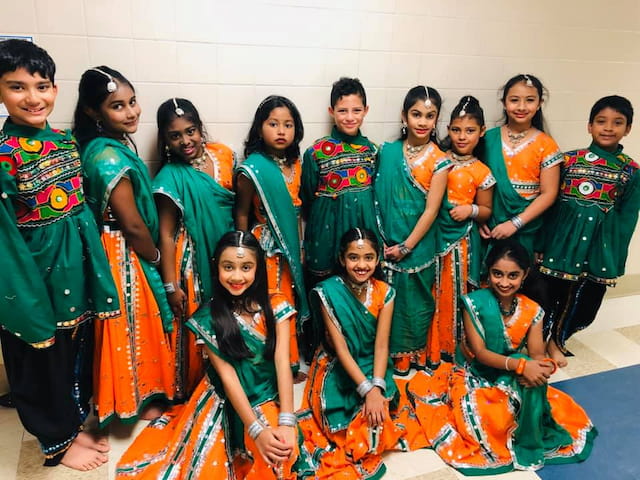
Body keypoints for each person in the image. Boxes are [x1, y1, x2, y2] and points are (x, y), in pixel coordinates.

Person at [0, 39, 118, 470]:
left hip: (74, 265)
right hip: (33, 276)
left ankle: (71, 424)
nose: (34, 98)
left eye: (43, 86)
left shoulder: (63, 141)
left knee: (73, 351)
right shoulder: (4, 154)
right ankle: (57, 441)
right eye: (17, 87)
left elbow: (78, 210)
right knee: (39, 356)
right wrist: (23, 296)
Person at [117, 231, 312, 479]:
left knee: (283, 453)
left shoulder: (276, 305)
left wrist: (286, 420)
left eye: (246, 267)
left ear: (258, 269)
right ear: (216, 268)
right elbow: (228, 377)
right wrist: (255, 430)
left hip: (265, 394)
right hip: (225, 400)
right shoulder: (209, 317)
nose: (237, 276)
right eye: (228, 267)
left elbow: (282, 363)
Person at [407, 239, 597, 475]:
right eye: (497, 274)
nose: (504, 282)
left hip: (511, 376)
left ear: (524, 275)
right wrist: (521, 366)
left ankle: (527, 436)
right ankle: (519, 430)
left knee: (530, 389)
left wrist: (541, 369)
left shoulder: (532, 309)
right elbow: (481, 353)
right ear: (489, 272)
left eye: (512, 275)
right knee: (489, 414)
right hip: (476, 375)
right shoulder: (474, 303)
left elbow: (537, 355)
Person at [73, 66, 175, 426]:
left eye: (133, 102)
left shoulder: (107, 146)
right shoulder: (109, 157)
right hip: (121, 250)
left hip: (115, 246)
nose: (131, 112)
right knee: (132, 323)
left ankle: (136, 395)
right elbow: (131, 222)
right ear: (93, 111)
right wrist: (157, 256)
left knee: (134, 323)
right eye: (118, 106)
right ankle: (135, 401)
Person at [298, 228, 427, 478]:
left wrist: (376, 387)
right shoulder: (328, 292)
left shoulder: (385, 292)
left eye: (368, 257)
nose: (361, 265)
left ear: (378, 259)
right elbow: (341, 349)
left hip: (372, 362)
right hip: (337, 364)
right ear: (342, 259)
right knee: (346, 431)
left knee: (377, 422)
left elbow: (381, 346)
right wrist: (366, 390)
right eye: (354, 258)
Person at [539, 95, 638, 366]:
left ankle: (559, 338)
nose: (608, 128)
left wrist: (614, 256)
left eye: (617, 123)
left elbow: (628, 217)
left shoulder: (630, 170)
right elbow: (551, 204)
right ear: (589, 126)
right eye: (601, 121)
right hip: (562, 245)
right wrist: (542, 243)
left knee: (587, 303)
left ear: (627, 129)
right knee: (552, 295)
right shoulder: (569, 161)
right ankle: (546, 340)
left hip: (600, 246)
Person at [154, 98, 235, 400]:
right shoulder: (169, 178)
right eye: (175, 135)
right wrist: (171, 286)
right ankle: (200, 385)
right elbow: (164, 234)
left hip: (229, 253)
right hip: (192, 262)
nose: (185, 141)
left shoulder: (225, 156)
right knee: (200, 319)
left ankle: (231, 376)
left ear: (201, 129)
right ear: (165, 139)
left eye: (190, 131)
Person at [374, 85, 451, 375]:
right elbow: (377, 197)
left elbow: (431, 210)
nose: (422, 121)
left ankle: (412, 358)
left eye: (429, 116)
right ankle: (385, 356)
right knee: (386, 301)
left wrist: (406, 245)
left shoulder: (440, 160)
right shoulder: (388, 151)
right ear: (403, 116)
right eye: (416, 114)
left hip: (418, 247)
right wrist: (380, 240)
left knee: (415, 306)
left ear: (436, 120)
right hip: (384, 242)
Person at [235, 95, 308, 377]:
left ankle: (289, 363)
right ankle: (266, 368)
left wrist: (299, 246)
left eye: (288, 125)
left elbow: (298, 212)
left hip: (290, 246)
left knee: (287, 304)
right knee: (265, 304)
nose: (281, 131)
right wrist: (242, 252)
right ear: (259, 128)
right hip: (263, 248)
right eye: (273, 124)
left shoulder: (297, 164)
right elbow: (241, 213)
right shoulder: (252, 168)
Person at [429, 96, 495, 366]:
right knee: (435, 290)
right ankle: (432, 345)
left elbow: (487, 209)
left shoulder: (482, 171)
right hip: (434, 236)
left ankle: (455, 344)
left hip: (464, 242)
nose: (462, 136)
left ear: (481, 132)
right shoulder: (438, 160)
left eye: (469, 131)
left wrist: (472, 211)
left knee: (458, 290)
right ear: (448, 130)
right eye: (456, 130)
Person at [301, 77, 378, 287]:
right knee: (324, 293)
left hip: (364, 238)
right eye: (343, 111)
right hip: (324, 239)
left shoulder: (372, 151)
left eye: (356, 110)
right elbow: (306, 199)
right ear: (331, 111)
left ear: (366, 110)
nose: (350, 117)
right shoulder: (315, 153)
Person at [480, 74, 562, 260]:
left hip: (526, 230)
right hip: (490, 229)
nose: (522, 107)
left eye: (530, 100)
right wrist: (480, 218)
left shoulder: (546, 144)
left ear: (539, 103)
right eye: (514, 100)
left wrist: (515, 223)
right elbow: (475, 179)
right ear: (504, 102)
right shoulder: (487, 139)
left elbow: (549, 194)